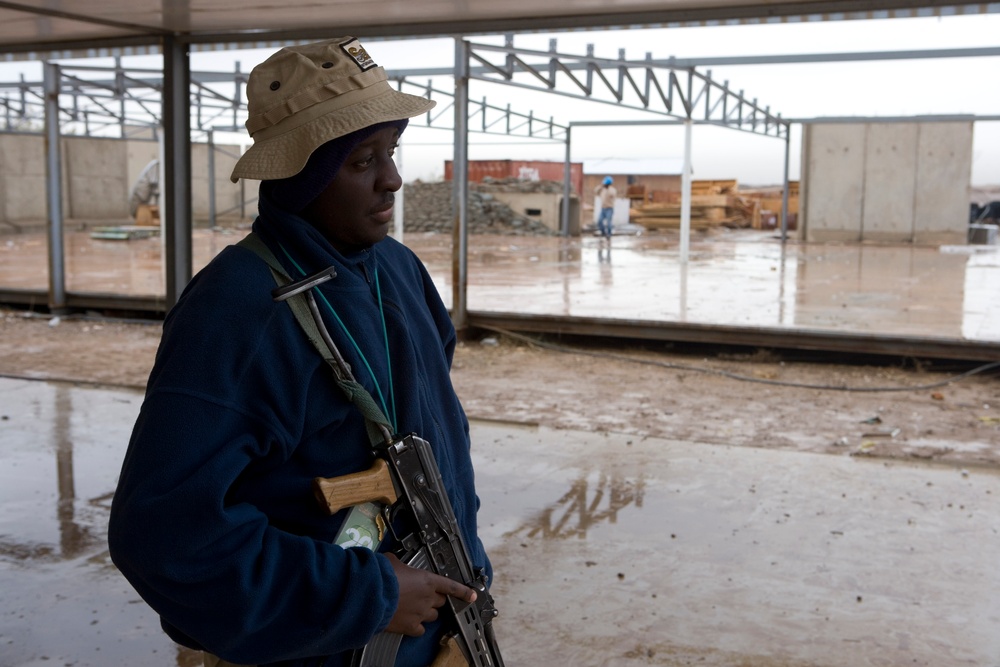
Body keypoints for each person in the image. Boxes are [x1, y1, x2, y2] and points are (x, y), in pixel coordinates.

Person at [108, 37, 492, 667]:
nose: (392, 179)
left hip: (439, 619)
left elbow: (432, 432)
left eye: (391, 151)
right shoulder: (237, 312)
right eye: (361, 160)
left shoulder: (397, 270)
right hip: (317, 645)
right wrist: (366, 593)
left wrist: (463, 560)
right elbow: (165, 536)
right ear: (302, 175)